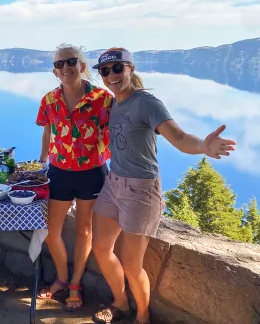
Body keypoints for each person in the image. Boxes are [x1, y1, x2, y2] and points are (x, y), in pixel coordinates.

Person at [90, 48, 236, 324]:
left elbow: (179, 137)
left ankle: (143, 316)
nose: (111, 76)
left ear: (131, 69)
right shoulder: (114, 104)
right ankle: (120, 304)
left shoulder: (147, 103)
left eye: (117, 68)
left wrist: (204, 146)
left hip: (141, 191)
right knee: (100, 248)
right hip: (113, 185)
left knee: (132, 265)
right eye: (105, 71)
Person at [35, 44, 113, 312]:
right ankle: (62, 278)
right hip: (58, 172)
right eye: (59, 64)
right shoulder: (49, 100)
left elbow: (119, 131)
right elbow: (47, 132)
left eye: (71, 62)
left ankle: (75, 285)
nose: (65, 67)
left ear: (82, 66)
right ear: (55, 72)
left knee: (85, 231)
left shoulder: (103, 99)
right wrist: (41, 161)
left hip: (92, 173)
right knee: (50, 232)